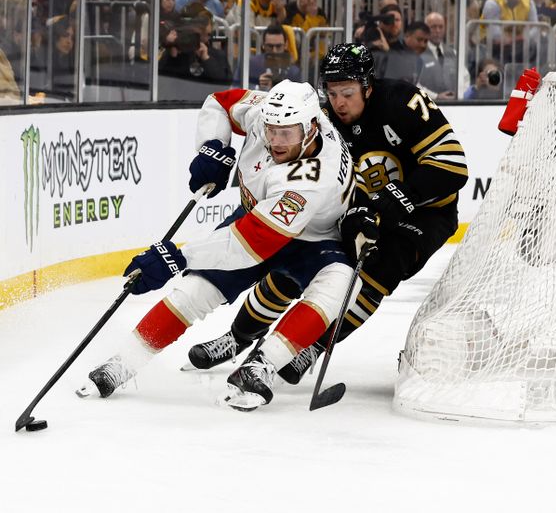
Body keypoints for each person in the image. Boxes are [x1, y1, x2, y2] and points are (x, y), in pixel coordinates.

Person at [188, 43, 469, 386]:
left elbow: (452, 167)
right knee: (298, 262)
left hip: (426, 211)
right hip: (363, 207)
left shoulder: (404, 102)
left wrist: (394, 199)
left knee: (375, 273)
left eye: (348, 93)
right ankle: (239, 337)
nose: (339, 102)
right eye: (332, 92)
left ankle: (312, 346)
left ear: (368, 86)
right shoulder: (321, 121)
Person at [77, 80, 356, 405]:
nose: (276, 141)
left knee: (339, 286)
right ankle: (122, 364)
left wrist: (178, 257)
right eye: (271, 130)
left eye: (287, 134)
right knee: (196, 290)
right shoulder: (266, 114)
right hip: (257, 218)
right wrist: (213, 147)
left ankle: (261, 367)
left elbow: (253, 243)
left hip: (314, 239)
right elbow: (220, 102)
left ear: (310, 129)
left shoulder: (313, 177)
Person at [418, 11, 468, 100]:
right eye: (433, 27)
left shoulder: (453, 53)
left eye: (441, 27)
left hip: (455, 105)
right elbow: (414, 85)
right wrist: (436, 97)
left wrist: (459, 95)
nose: (437, 31)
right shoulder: (417, 53)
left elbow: (465, 78)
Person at [235, 24, 301, 90]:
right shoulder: (249, 65)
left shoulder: (293, 71)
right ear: (263, 45)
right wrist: (257, 87)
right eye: (270, 46)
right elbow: (235, 89)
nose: (274, 51)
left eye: (278, 46)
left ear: (286, 45)